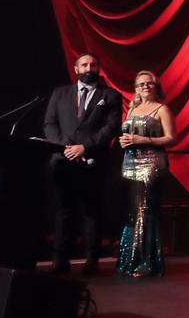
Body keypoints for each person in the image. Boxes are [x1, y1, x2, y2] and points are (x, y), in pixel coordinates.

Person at [43, 53, 122, 274]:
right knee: (63, 211)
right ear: (76, 69)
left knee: (91, 211)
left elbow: (111, 127)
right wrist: (66, 148)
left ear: (98, 68)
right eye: (84, 64)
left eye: (93, 64)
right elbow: (49, 124)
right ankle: (60, 260)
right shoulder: (60, 94)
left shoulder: (110, 95)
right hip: (62, 161)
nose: (89, 68)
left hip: (93, 161)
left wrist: (84, 147)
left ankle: (91, 260)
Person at [116, 70, 176, 278]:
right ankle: (129, 261)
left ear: (156, 86)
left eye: (149, 84)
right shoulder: (132, 109)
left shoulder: (162, 109)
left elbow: (171, 138)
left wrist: (143, 141)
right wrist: (124, 141)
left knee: (145, 210)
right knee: (133, 212)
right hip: (130, 163)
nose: (145, 87)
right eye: (141, 84)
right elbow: (128, 135)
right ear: (136, 89)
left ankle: (146, 263)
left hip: (152, 164)